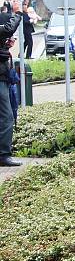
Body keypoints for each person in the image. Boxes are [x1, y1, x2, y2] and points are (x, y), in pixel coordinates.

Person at [0, 9, 22, 166]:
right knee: (7, 116)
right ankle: (3, 155)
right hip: (0, 79)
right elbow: (8, 28)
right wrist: (18, 14)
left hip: (3, 77)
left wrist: (4, 46)